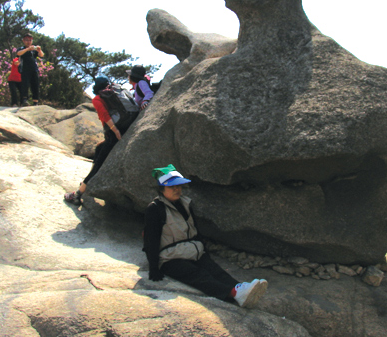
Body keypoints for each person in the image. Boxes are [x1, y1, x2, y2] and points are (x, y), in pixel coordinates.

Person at [143, 164, 268, 308]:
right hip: (170, 257)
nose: (177, 189)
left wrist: (203, 251)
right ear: (161, 189)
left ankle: (240, 288)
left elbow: (195, 229)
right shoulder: (155, 209)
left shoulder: (185, 203)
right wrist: (154, 268)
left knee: (214, 270)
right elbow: (151, 239)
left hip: (192, 250)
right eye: (172, 187)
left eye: (179, 186)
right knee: (198, 276)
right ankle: (234, 294)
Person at [64, 75, 139, 205]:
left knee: (98, 163)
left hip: (114, 133)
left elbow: (105, 115)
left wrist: (115, 131)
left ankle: (78, 194)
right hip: (127, 125)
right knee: (99, 148)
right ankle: (89, 182)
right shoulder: (116, 91)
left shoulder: (98, 99)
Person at [16, 33, 44, 106]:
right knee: (25, 85)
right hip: (25, 69)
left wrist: (39, 50)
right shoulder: (21, 48)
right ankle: (24, 100)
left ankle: (35, 101)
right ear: (23, 41)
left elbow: (42, 55)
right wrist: (28, 49)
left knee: (35, 85)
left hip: (34, 69)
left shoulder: (34, 50)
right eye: (27, 40)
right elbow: (18, 53)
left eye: (30, 40)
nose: (28, 42)